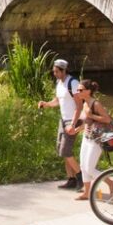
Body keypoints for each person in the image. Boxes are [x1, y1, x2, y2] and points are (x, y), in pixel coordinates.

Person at [36, 58, 82, 189]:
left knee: (65, 151)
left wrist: (73, 124)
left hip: (72, 120)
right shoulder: (59, 83)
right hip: (63, 120)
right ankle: (71, 179)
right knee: (62, 150)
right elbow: (57, 101)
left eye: (56, 71)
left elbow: (79, 105)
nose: (54, 74)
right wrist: (46, 104)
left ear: (63, 71)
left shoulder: (72, 83)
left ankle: (80, 177)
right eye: (54, 71)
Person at [75, 79, 113, 201]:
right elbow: (86, 122)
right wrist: (76, 130)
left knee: (89, 168)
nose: (78, 92)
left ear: (88, 91)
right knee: (83, 166)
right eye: (77, 90)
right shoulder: (85, 103)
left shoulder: (95, 104)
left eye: (80, 90)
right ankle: (87, 192)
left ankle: (111, 183)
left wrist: (92, 115)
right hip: (87, 138)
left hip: (96, 139)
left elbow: (107, 119)